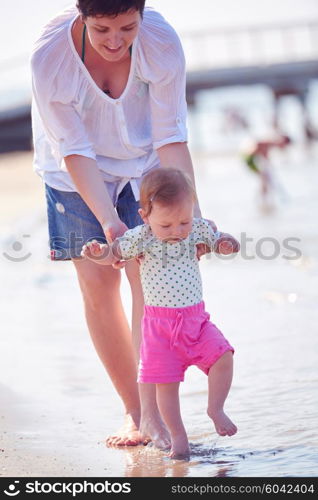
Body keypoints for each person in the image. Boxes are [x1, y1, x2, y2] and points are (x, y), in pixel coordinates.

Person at [30, 0, 215, 447]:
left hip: (147, 166)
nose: (116, 42)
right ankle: (135, 412)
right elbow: (73, 147)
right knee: (98, 288)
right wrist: (111, 224)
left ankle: (155, 412)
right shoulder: (50, 58)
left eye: (127, 27)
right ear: (82, 17)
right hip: (73, 173)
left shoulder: (160, 42)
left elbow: (171, 133)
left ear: (142, 13)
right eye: (102, 30)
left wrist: (194, 217)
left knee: (148, 283)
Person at [81, 168, 239, 459]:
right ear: (144, 216)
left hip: (197, 322)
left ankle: (215, 409)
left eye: (183, 221)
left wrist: (228, 244)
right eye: (166, 225)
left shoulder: (196, 229)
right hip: (159, 329)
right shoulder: (140, 238)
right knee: (166, 389)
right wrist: (98, 253)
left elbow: (220, 241)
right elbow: (114, 253)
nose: (177, 231)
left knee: (223, 356)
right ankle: (178, 438)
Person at [242, 134, 291, 209]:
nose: (283, 147)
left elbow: (264, 155)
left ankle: (262, 200)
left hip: (252, 159)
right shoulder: (270, 142)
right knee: (264, 180)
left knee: (265, 180)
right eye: (284, 145)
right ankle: (260, 200)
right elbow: (258, 146)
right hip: (250, 160)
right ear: (283, 141)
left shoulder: (271, 143)